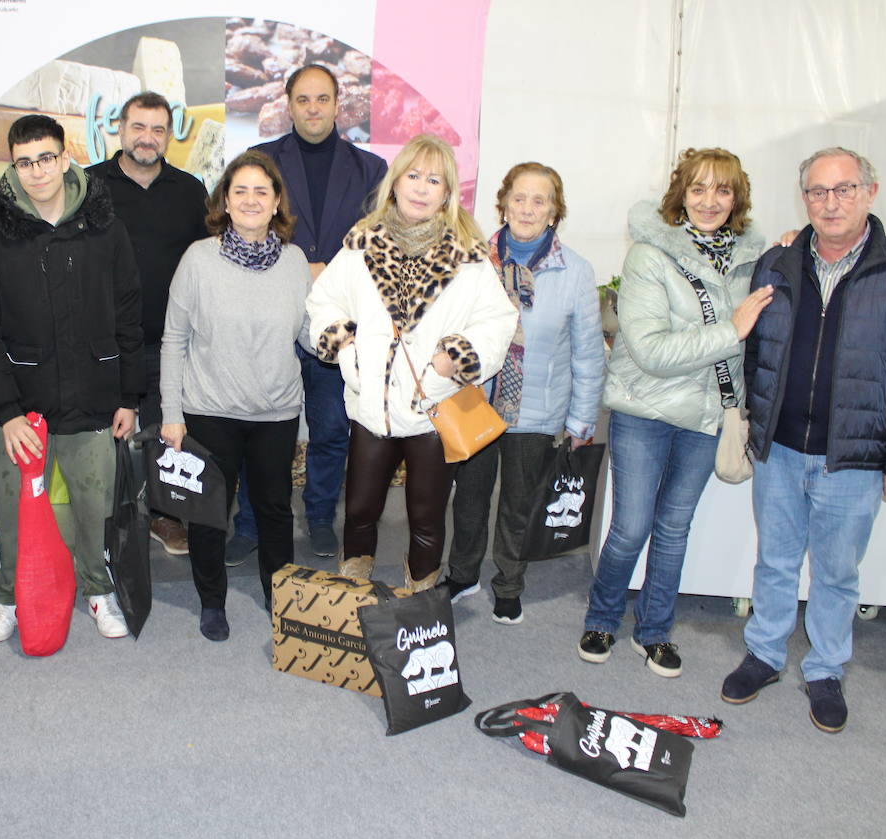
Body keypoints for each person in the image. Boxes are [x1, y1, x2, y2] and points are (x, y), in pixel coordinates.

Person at [721, 147, 886, 732]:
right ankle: (765, 654)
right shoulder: (776, 263)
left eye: (844, 189)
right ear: (805, 200)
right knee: (773, 561)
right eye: (819, 192)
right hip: (780, 450)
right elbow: (756, 354)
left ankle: (825, 669)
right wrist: (756, 423)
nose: (831, 203)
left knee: (836, 573)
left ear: (871, 193)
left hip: (855, 460)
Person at [579, 147, 771, 678]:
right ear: (680, 195)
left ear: (737, 199)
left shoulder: (751, 263)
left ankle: (655, 631)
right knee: (631, 526)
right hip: (646, 410)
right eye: (698, 188)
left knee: (674, 528)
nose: (710, 201)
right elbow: (651, 351)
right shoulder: (650, 255)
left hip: (707, 414)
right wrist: (729, 330)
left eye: (723, 189)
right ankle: (601, 618)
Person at [0, 114, 144, 644]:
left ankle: (98, 589)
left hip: (93, 399)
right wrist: (7, 411)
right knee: (16, 510)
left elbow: (129, 314)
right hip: (25, 405)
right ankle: (11, 598)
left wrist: (129, 395)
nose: (37, 171)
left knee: (94, 506)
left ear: (65, 159)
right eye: (24, 162)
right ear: (12, 167)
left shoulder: (105, 228)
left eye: (46, 158)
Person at [307, 134, 518, 591]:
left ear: (447, 193)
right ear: (396, 182)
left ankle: (421, 594)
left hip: (431, 407)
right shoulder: (360, 246)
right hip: (372, 405)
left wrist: (455, 359)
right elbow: (323, 302)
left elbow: (499, 320)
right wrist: (346, 348)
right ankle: (353, 586)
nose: (422, 188)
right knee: (360, 507)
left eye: (434, 180)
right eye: (414, 176)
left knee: (426, 514)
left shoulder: (468, 256)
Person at [229, 64, 387, 562]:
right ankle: (251, 521)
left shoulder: (371, 170)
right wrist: (302, 266)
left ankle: (320, 516)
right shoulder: (260, 163)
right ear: (288, 103)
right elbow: (242, 232)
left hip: (337, 323)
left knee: (331, 429)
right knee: (260, 429)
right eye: (303, 100)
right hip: (271, 320)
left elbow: (380, 245)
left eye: (322, 99)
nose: (313, 109)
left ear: (338, 104)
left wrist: (329, 268)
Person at [159, 150, 311, 640]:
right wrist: (171, 413)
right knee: (208, 517)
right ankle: (211, 600)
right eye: (239, 190)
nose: (249, 199)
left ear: (275, 203)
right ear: (224, 200)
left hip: (276, 412)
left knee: (275, 511)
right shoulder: (198, 259)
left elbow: (308, 334)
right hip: (210, 411)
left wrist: (345, 336)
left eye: (260, 191)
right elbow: (173, 340)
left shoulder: (293, 263)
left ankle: (279, 594)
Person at [444, 162, 605, 624]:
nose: (528, 209)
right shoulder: (473, 259)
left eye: (540, 201)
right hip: (474, 403)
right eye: (519, 198)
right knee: (469, 498)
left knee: (519, 503)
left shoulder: (576, 271)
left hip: (536, 411)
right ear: (503, 203)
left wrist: (580, 420)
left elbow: (588, 355)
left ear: (555, 212)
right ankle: (462, 573)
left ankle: (509, 583)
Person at [88, 91, 208, 557]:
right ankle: (106, 520)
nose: (148, 138)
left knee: (166, 432)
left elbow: (205, 262)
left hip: (168, 340)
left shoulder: (189, 190)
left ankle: (165, 515)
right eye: (139, 127)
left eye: (158, 129)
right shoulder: (89, 186)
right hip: (104, 340)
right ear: (120, 130)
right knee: (103, 437)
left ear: (169, 135)